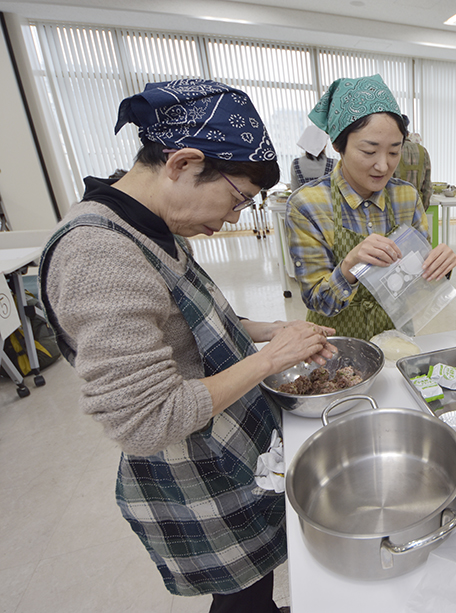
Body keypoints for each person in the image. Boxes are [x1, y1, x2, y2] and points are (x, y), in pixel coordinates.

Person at [38, 78, 336, 613]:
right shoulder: (97, 255)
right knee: (240, 598)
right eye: (239, 198)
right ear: (182, 164)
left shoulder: (152, 225)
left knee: (254, 585)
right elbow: (147, 420)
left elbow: (185, 320)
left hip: (225, 452)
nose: (233, 219)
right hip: (191, 471)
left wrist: (264, 331)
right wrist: (271, 360)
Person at [286, 74, 456, 340]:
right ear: (337, 145)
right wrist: (350, 265)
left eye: (393, 152)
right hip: (335, 341)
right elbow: (318, 302)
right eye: (369, 151)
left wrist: (438, 265)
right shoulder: (308, 205)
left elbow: (417, 284)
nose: (383, 166)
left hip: (395, 337)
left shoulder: (406, 196)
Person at [394, 115, 433, 208]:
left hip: (395, 205)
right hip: (417, 204)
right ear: (408, 134)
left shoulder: (393, 151)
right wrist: (423, 208)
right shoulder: (423, 151)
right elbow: (427, 186)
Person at [290, 122, 335, 189]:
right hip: (328, 199)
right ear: (324, 145)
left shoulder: (295, 164)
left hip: (302, 199)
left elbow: (294, 191)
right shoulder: (334, 163)